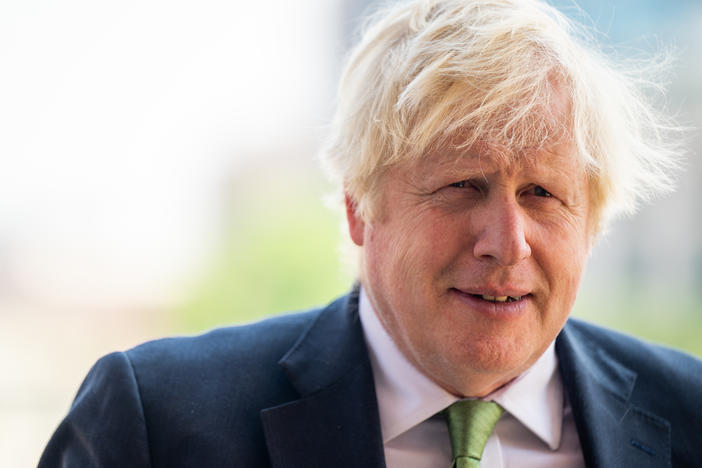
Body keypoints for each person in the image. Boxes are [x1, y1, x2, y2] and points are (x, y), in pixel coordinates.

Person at [40, 0, 702, 466]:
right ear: (360, 207)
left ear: (591, 222)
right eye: (462, 187)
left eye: (543, 195)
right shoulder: (157, 424)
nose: (506, 242)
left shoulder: (690, 417)